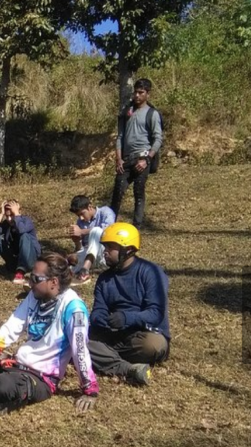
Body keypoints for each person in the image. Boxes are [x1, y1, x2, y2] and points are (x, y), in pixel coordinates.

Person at [0, 253, 99, 415]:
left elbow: (80, 351)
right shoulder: (34, 296)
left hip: (41, 379)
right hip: (14, 366)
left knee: (2, 386)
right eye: (30, 277)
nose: (29, 283)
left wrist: (90, 390)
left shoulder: (74, 309)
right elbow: (11, 329)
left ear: (53, 282)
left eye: (35, 279)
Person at [88, 223, 170, 385]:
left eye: (110, 247)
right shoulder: (104, 279)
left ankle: (105, 357)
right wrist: (101, 319)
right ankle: (129, 369)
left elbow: (156, 313)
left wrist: (127, 318)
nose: (104, 252)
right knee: (76, 340)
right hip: (113, 334)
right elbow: (98, 310)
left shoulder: (151, 272)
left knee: (151, 346)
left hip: (143, 334)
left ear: (128, 249)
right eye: (104, 247)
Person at [111, 78, 163, 228]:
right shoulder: (126, 112)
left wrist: (147, 159)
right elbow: (120, 137)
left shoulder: (152, 114)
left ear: (148, 94)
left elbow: (158, 139)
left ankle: (136, 227)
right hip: (126, 159)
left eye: (141, 92)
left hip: (142, 157)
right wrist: (119, 159)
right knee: (117, 192)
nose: (137, 95)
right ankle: (110, 226)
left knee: (138, 192)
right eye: (136, 92)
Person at [0, 199, 41, 284]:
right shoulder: (6, 224)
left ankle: (20, 272)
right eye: (7, 216)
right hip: (15, 261)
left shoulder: (26, 220)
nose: (9, 219)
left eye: (12, 215)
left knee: (24, 235)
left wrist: (16, 215)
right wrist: (1, 214)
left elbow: (21, 230)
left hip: (31, 260)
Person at [66, 195, 116, 285]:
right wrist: (77, 241)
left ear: (89, 207)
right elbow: (83, 248)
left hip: (105, 254)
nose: (81, 218)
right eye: (78, 215)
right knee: (69, 260)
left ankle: (85, 271)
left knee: (96, 231)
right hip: (90, 256)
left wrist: (82, 231)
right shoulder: (80, 222)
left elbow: (108, 230)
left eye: (82, 214)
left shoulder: (106, 212)